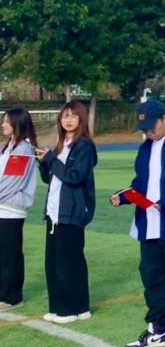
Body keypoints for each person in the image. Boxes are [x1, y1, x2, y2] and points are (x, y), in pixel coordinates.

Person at [110, 99, 165, 347]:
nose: (148, 132)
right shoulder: (144, 148)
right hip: (147, 226)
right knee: (152, 279)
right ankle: (157, 329)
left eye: (152, 126)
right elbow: (140, 182)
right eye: (143, 128)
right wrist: (124, 196)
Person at [35, 100, 97, 323]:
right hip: (54, 214)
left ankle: (70, 310)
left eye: (73, 116)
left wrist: (51, 159)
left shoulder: (84, 146)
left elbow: (73, 176)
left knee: (69, 262)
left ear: (81, 119)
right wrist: (44, 162)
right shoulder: (61, 145)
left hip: (72, 212)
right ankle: (61, 307)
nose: (68, 120)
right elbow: (50, 178)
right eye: (64, 116)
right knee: (54, 263)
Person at [0, 108, 38, 310]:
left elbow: (11, 182)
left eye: (7, 121)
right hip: (2, 208)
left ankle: (12, 297)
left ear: (17, 123)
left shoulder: (23, 149)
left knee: (10, 255)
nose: (3, 124)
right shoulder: (8, 147)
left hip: (11, 210)